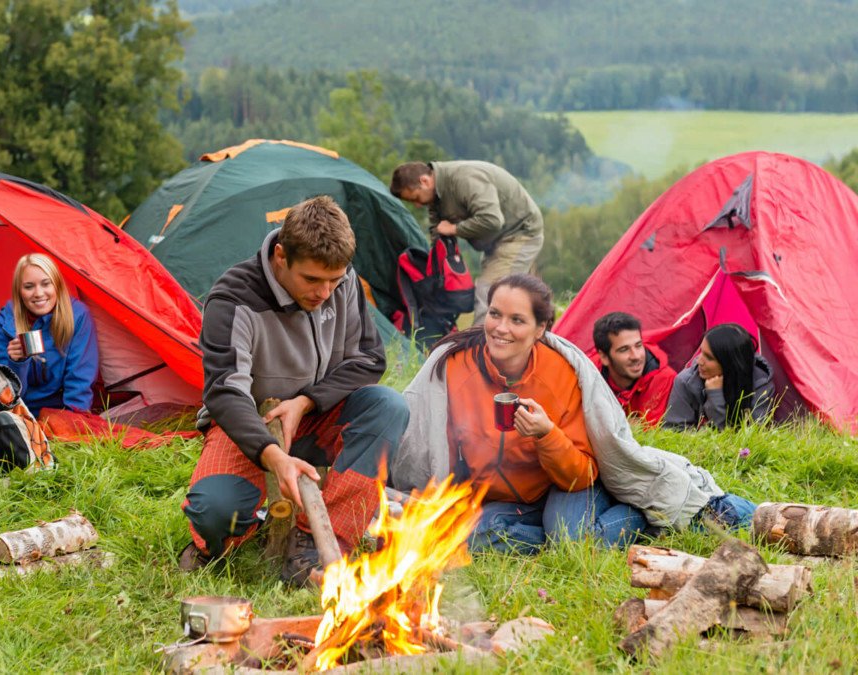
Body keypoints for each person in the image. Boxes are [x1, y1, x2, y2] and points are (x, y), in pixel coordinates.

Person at [390, 274, 757, 553]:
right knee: (464, 539)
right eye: (495, 315)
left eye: (517, 320)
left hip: (567, 484)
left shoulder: (560, 374)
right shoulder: (456, 367)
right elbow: (424, 436)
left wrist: (547, 435)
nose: (500, 329)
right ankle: (542, 536)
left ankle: (639, 517)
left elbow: (580, 472)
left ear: (540, 329)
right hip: (502, 498)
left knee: (570, 539)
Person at [179, 195, 409, 586]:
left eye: (334, 280)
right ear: (281, 256)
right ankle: (218, 542)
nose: (324, 293)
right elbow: (225, 392)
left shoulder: (343, 282)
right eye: (312, 280)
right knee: (217, 513)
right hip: (249, 423)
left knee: (388, 405)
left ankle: (316, 546)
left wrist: (305, 402)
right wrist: (273, 456)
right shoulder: (233, 297)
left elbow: (369, 359)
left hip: (318, 416)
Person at [390, 160, 544, 325]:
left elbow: (492, 219)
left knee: (489, 292)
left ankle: (477, 347)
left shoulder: (464, 180)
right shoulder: (436, 194)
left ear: (425, 181)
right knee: (525, 295)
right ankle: (538, 340)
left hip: (519, 233)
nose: (418, 205)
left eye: (416, 198)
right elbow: (438, 230)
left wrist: (455, 229)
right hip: (495, 240)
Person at [0, 253, 99, 418]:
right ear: (19, 291)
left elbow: (79, 379)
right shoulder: (5, 323)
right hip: (21, 412)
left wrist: (73, 422)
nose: (38, 293)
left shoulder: (77, 316)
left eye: (45, 284)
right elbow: (6, 394)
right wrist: (18, 363)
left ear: (57, 285)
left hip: (63, 410)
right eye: (28, 287)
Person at [664, 323, 775, 430]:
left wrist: (715, 395)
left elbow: (756, 435)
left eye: (709, 357)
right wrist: (715, 396)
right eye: (701, 352)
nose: (699, 361)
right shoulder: (686, 381)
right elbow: (673, 431)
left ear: (730, 363)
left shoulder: (760, 384)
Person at [591, 312, 677, 427]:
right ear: (604, 357)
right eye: (624, 349)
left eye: (638, 345)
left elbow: (651, 432)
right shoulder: (589, 375)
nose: (636, 356)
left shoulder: (663, 378)